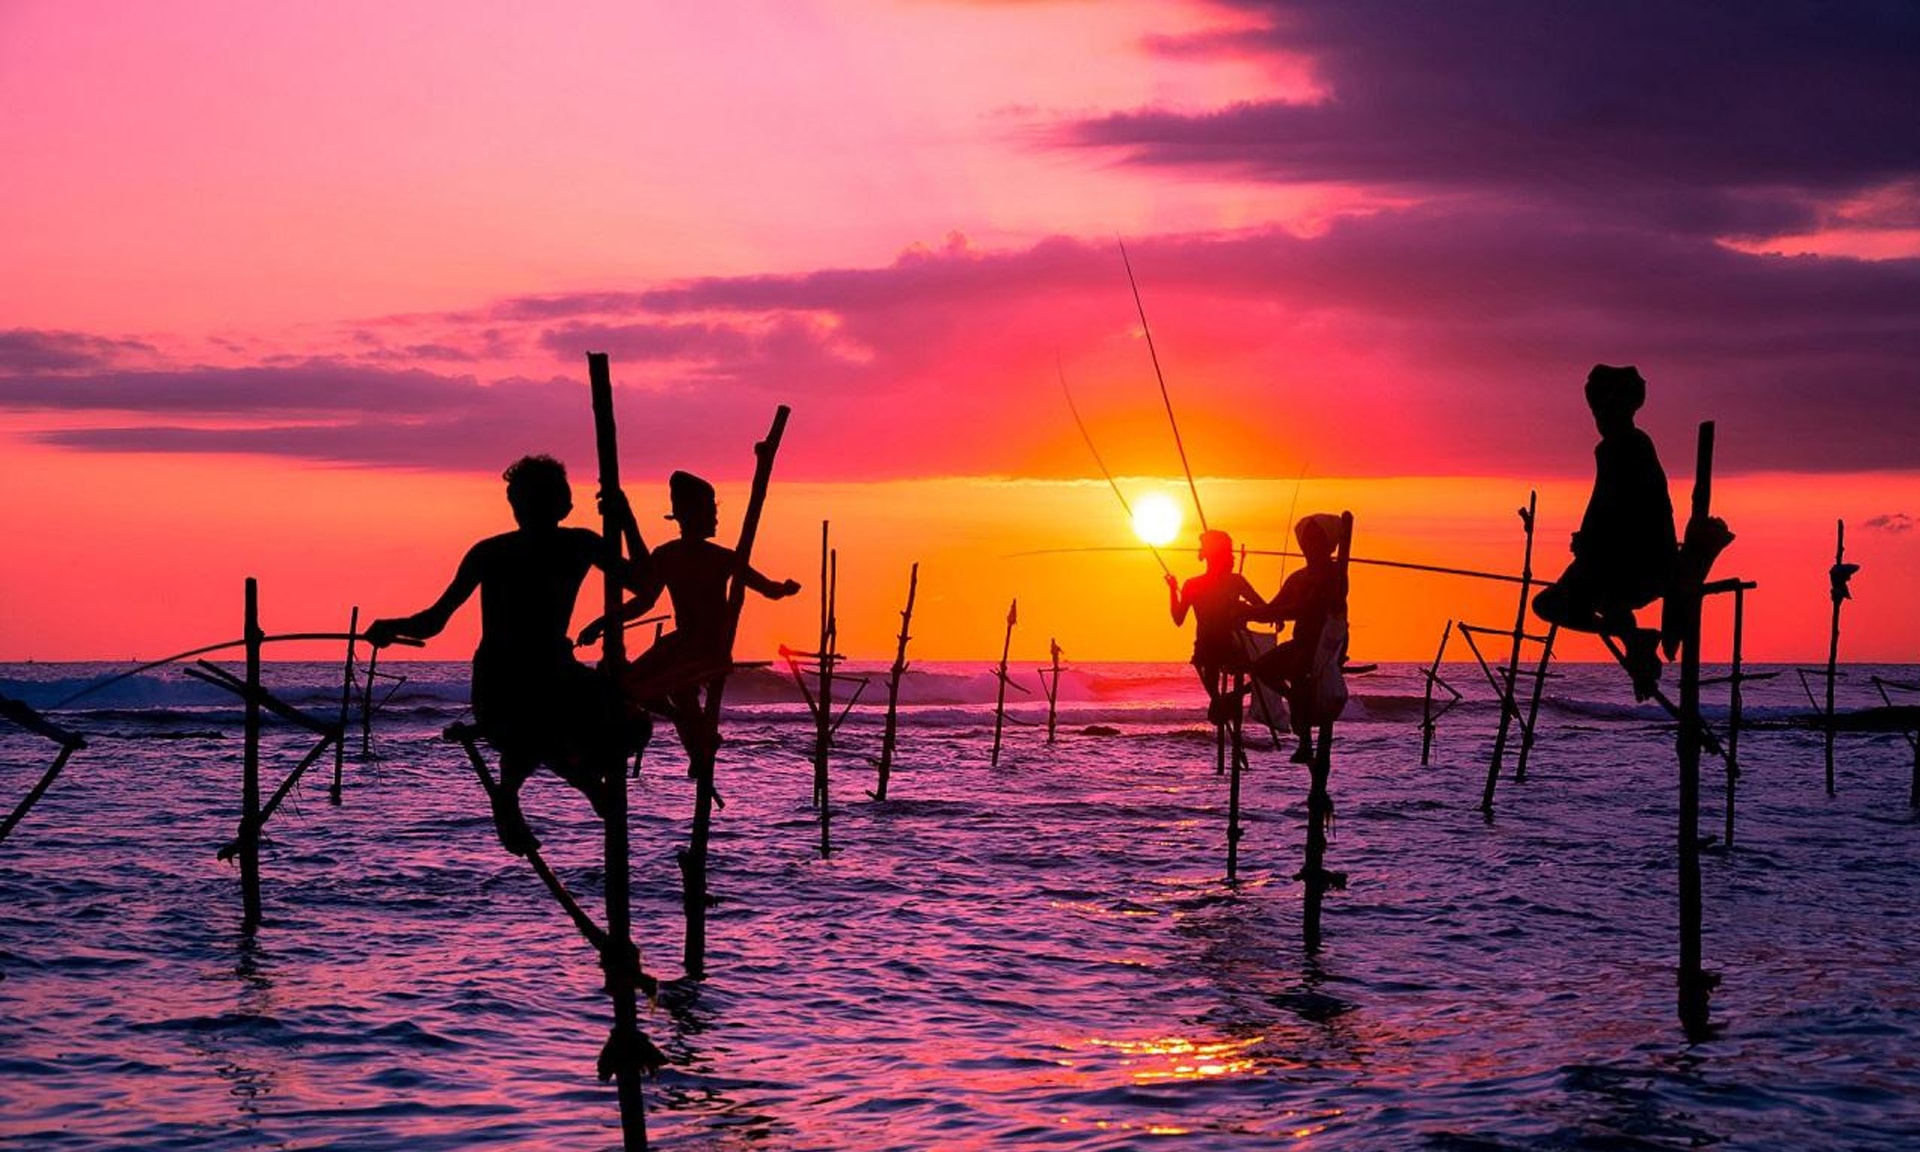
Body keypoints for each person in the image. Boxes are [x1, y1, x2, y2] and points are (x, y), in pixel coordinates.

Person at [365, 455, 652, 855]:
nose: (529, 509)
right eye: (526, 501)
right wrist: (391, 628)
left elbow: (646, 586)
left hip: (557, 673)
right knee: (538, 724)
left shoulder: (577, 544)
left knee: (632, 724)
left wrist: (625, 520)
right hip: (503, 684)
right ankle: (527, 793)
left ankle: (568, 780)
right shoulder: (496, 552)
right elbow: (433, 621)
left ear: (561, 506)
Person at [578, 470, 800, 757]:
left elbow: (768, 589)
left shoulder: (721, 558)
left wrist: (785, 588)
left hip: (709, 650)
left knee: (677, 693)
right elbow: (644, 602)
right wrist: (602, 624)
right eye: (710, 511)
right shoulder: (671, 556)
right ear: (691, 515)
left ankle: (698, 741)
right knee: (630, 686)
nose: (716, 518)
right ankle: (693, 729)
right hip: (683, 645)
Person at [1531, 364, 1677, 700]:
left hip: (1632, 561)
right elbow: (1607, 507)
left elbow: (1611, 504)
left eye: (1601, 411)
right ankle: (1633, 642)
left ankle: (1631, 638)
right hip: (1632, 559)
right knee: (1598, 601)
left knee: (1550, 604)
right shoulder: (1632, 444)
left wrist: (1589, 541)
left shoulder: (1622, 446)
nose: (1598, 419)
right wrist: (1589, 538)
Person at [1248, 514, 1350, 763]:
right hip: (1302, 641)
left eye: (1317, 540)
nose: (1311, 546)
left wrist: (1259, 613)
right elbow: (1273, 608)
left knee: (1299, 673)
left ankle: (1305, 744)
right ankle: (1293, 699)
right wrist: (1245, 612)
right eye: (1308, 541)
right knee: (1261, 667)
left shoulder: (1335, 575)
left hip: (1326, 643)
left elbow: (1303, 609)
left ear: (1329, 545)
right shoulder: (1297, 578)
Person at [1167, 529, 1267, 724]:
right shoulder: (1232, 581)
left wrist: (1172, 590)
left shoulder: (1197, 584)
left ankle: (1222, 699)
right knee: (1258, 671)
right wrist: (1173, 590)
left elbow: (1178, 618)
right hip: (1217, 648)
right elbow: (1262, 608)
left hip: (1215, 648)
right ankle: (1226, 699)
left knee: (1210, 667)